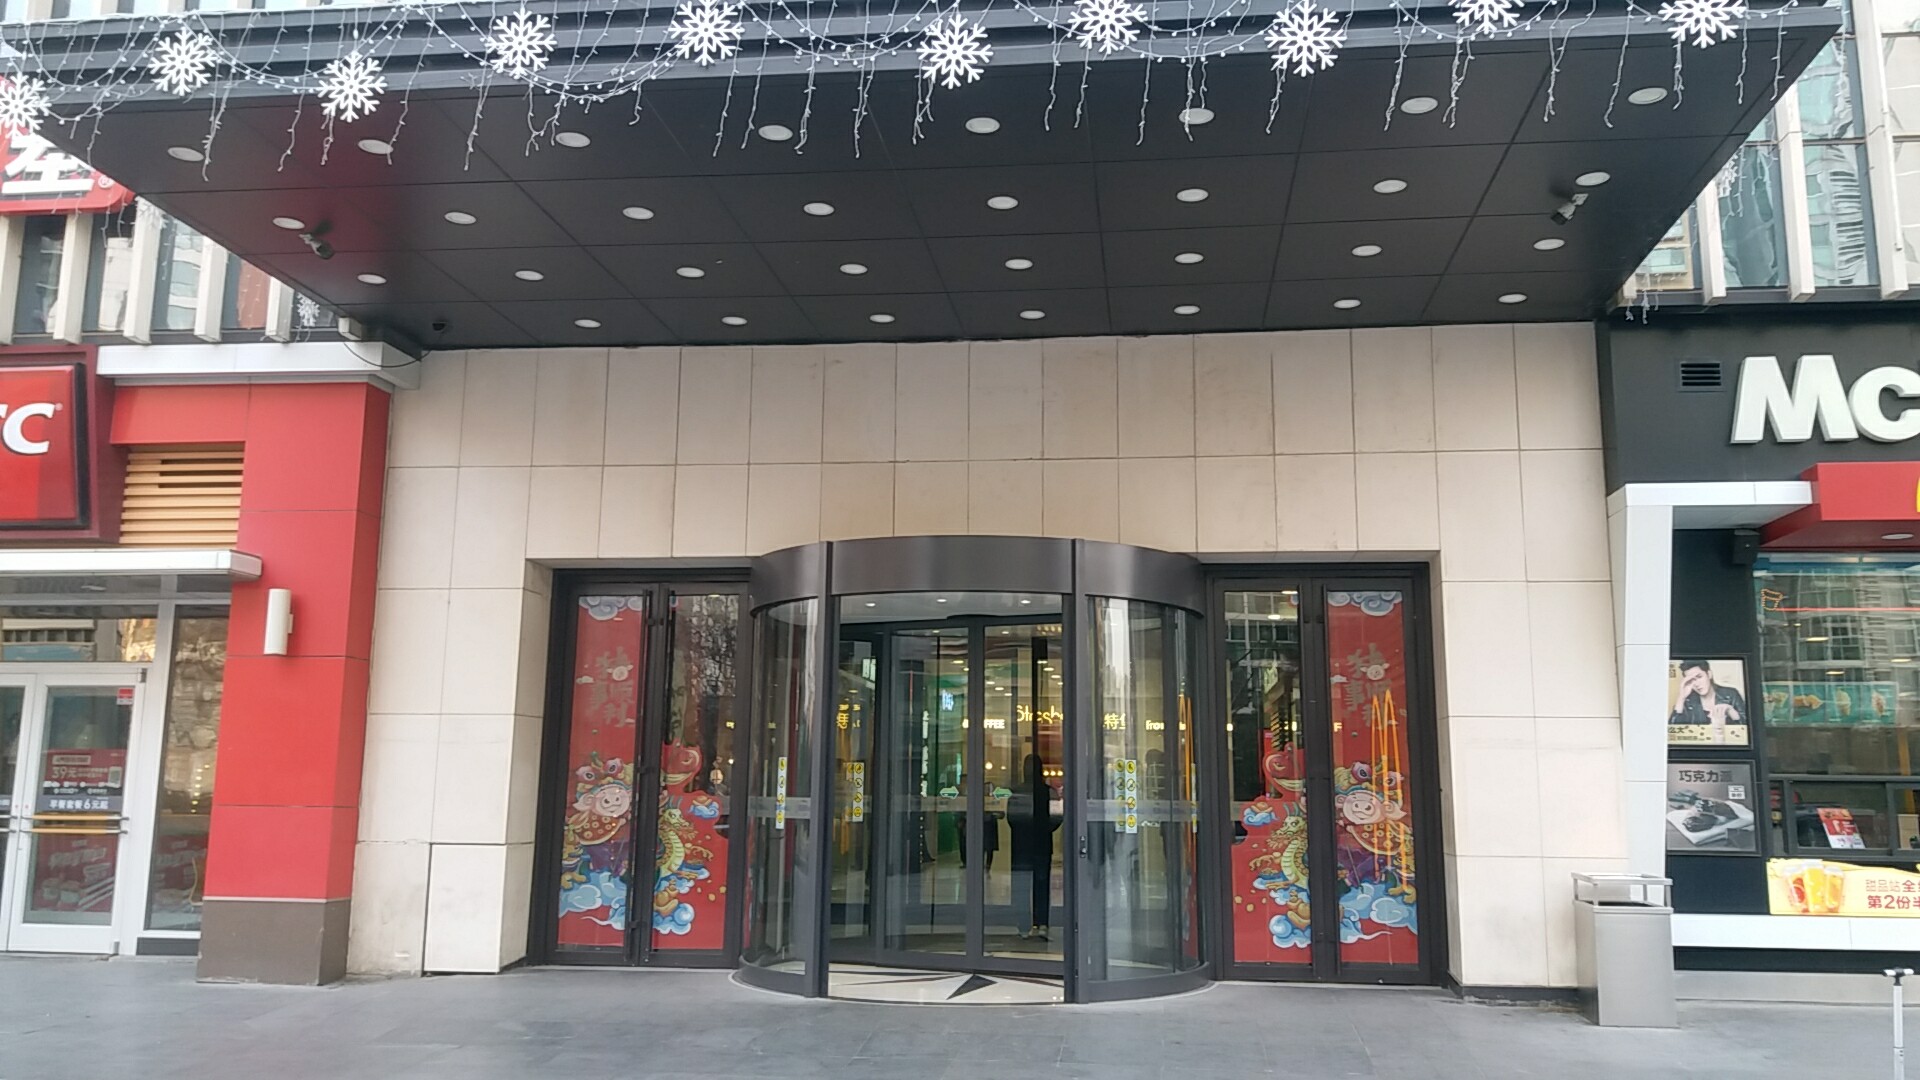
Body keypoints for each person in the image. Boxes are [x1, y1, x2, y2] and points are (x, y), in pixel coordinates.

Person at [1008, 754, 1061, 940]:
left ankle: (1023, 925)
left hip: (1021, 844)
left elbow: (1012, 818)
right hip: (1042, 843)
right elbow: (1057, 816)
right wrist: (1044, 830)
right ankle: (1042, 923)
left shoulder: (1016, 792)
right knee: (1041, 884)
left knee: (1021, 886)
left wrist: (1023, 830)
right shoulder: (1049, 792)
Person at [1670, 660, 1746, 731]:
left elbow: (1747, 727)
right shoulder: (1687, 701)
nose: (1696, 684)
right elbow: (1673, 731)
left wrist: (1731, 711)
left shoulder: (1731, 694)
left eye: (1699, 677)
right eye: (1691, 680)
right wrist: (1681, 697)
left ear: (1709, 674)